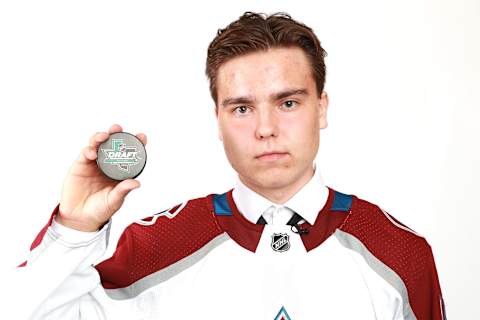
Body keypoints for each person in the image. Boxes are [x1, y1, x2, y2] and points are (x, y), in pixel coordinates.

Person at [9, 11, 446, 319]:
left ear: (322, 108)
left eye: (288, 102)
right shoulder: (155, 248)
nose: (266, 128)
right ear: (217, 118)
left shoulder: (400, 254)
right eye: (241, 109)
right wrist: (72, 231)